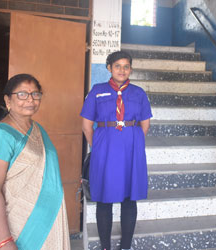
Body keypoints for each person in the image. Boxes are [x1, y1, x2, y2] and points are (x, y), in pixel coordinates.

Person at [0, 74, 70, 250]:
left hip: (48, 220)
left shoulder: (37, 129)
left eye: (35, 94)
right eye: (22, 94)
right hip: (19, 227)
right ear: (8, 100)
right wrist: (5, 240)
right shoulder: (1, 136)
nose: (30, 99)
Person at [80, 51, 152, 250]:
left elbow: (145, 125)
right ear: (109, 68)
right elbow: (87, 126)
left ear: (131, 69)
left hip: (131, 150)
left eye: (126, 66)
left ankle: (126, 245)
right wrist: (100, 147)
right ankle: (105, 246)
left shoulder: (139, 93)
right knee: (104, 198)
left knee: (129, 198)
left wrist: (133, 141)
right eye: (117, 66)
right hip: (105, 148)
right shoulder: (97, 91)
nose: (122, 70)